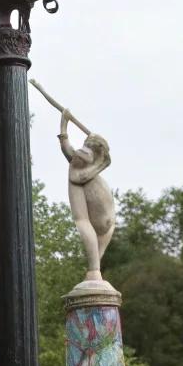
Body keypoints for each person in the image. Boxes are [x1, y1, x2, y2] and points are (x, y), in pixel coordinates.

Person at [59, 109, 115, 282]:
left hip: (107, 225)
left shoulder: (87, 164)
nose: (78, 155)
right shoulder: (82, 165)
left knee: (95, 269)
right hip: (96, 223)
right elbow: (69, 152)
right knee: (94, 270)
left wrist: (65, 123)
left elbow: (69, 151)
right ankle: (94, 273)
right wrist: (64, 124)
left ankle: (94, 273)